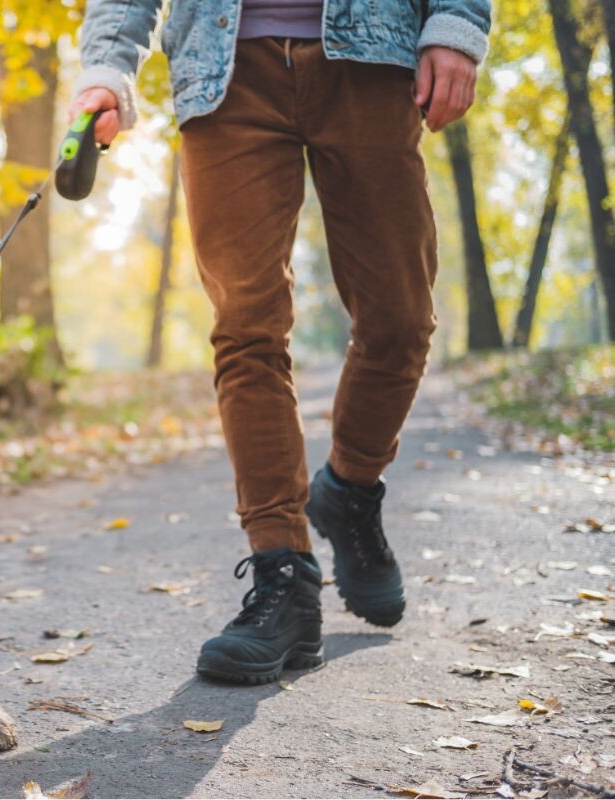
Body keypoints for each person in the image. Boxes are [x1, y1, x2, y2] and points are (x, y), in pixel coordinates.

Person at [68, 0, 489, 684]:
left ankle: (350, 489)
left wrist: (456, 25)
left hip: (371, 56)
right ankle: (283, 574)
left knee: (401, 319)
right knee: (246, 329)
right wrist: (106, 68)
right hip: (223, 72)